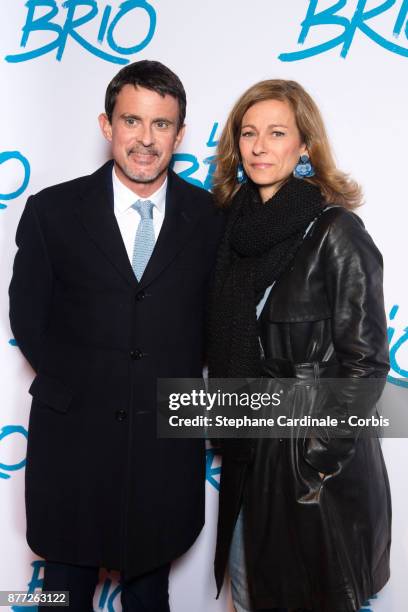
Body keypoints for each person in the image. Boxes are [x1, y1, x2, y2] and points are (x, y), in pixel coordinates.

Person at [9, 60, 223, 611]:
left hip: (162, 449)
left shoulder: (210, 218)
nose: (145, 140)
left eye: (161, 125)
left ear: (180, 132)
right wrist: (86, 386)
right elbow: (28, 317)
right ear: (108, 125)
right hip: (72, 442)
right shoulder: (51, 211)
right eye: (132, 121)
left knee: (150, 593)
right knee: (64, 593)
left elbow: (214, 321)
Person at [208, 80, 391, 612]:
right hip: (248, 455)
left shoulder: (336, 231)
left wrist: (313, 462)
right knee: (248, 598)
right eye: (248, 133)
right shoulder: (232, 233)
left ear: (304, 145)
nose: (260, 146)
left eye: (277, 132)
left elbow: (365, 364)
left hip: (309, 465)